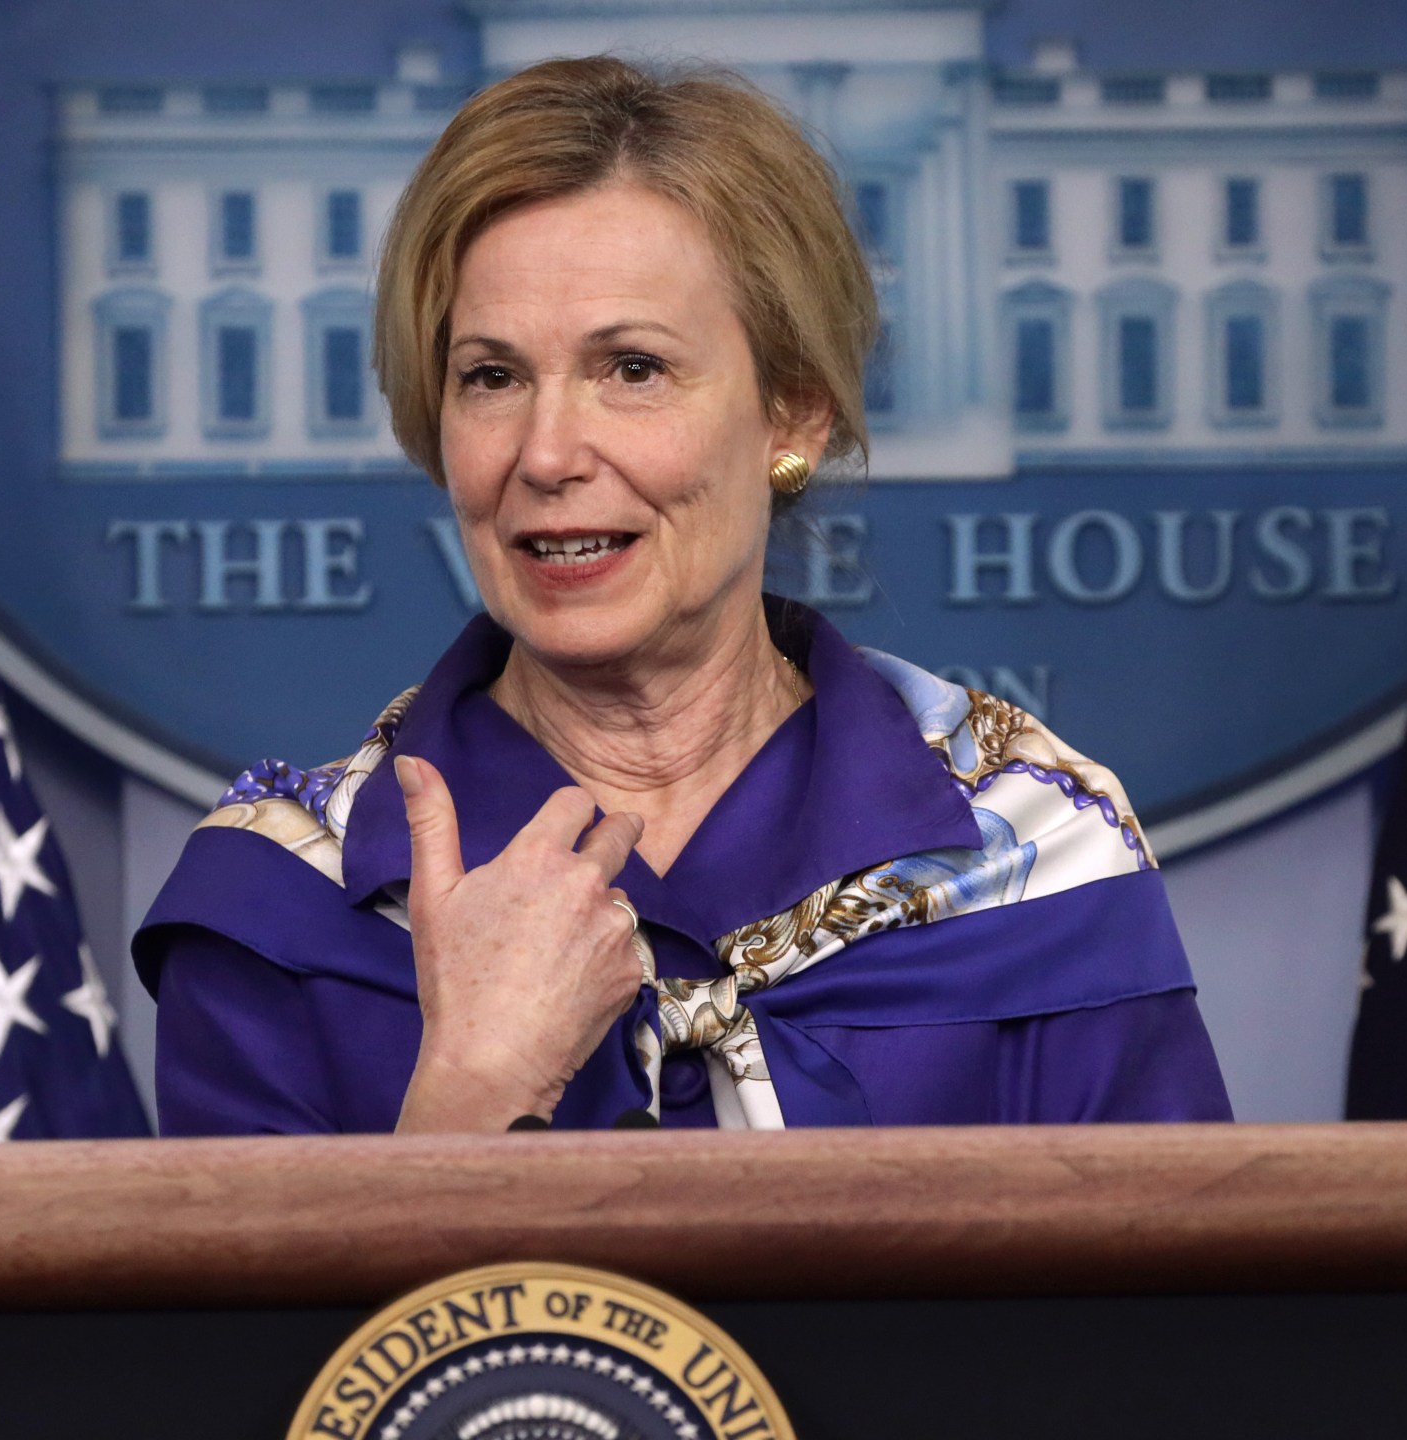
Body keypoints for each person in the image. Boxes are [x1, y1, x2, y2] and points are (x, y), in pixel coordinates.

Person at [133, 57, 1230, 1134]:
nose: (547, 451)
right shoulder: (280, 901)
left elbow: (1160, 1318)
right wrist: (474, 1085)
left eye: (633, 369)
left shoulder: (1034, 851)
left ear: (793, 416)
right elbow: (289, 1329)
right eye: (492, 377)